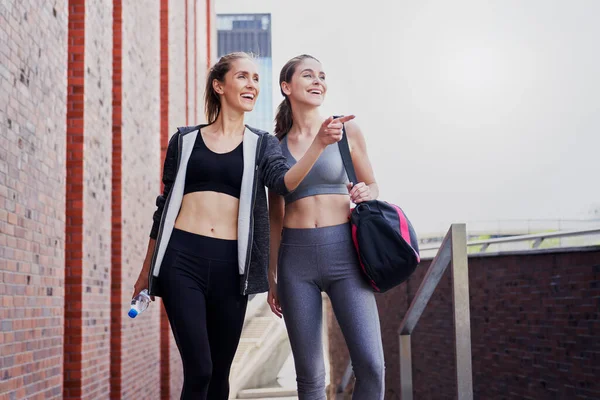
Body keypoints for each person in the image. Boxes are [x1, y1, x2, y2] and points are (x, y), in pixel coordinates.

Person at [132, 52, 349, 400]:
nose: (252, 85)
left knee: (220, 375)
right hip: (180, 261)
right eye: (243, 77)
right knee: (199, 368)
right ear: (219, 85)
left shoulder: (262, 144)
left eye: (256, 79)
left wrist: (319, 145)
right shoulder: (184, 141)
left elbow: (284, 183)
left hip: (231, 269)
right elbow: (163, 210)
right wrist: (146, 272)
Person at [267, 54, 385, 400]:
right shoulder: (274, 147)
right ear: (287, 87)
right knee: (311, 377)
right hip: (296, 261)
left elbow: (373, 184)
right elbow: (275, 214)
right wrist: (271, 276)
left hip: (345, 255)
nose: (318, 81)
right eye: (308, 75)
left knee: (372, 365)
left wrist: (367, 191)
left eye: (322, 75)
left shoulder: (346, 130)